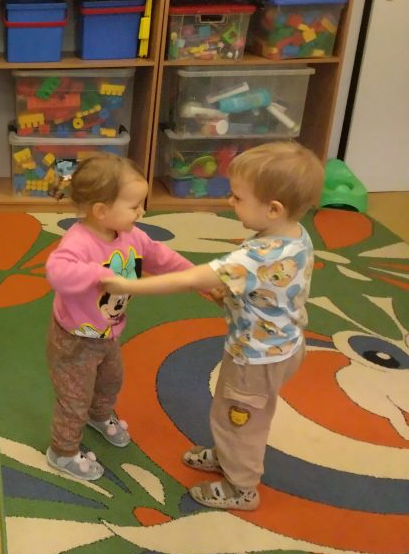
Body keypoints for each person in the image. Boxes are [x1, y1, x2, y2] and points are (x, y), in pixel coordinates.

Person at [101, 141, 324, 510]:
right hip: (279, 345)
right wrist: (232, 294)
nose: (229, 201)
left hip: (256, 357)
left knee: (241, 422)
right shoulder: (294, 236)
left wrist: (128, 285)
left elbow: (191, 278)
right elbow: (270, 287)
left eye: (238, 197)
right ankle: (227, 455)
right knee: (231, 410)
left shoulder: (257, 256)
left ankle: (241, 487)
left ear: (273, 208)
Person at [45, 154, 193, 481]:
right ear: (101, 211)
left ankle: (99, 415)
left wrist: (196, 277)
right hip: (74, 341)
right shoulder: (79, 242)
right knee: (74, 399)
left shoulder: (132, 236)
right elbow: (56, 272)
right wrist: (99, 274)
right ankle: (62, 452)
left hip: (108, 333)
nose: (141, 212)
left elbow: (160, 257)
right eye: (134, 206)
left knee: (111, 380)